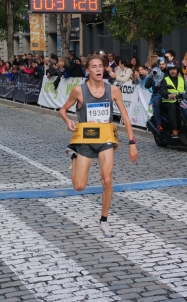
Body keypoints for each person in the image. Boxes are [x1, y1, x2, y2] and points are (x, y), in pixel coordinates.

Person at [59, 55, 138, 238]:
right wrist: (67, 121)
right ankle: (73, 155)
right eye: (93, 67)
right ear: (87, 70)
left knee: (107, 180)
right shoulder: (79, 91)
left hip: (106, 139)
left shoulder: (114, 90)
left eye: (100, 66)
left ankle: (104, 220)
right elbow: (62, 110)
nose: (98, 69)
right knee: (79, 186)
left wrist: (132, 143)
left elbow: (126, 118)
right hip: (85, 140)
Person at [158, 62, 186, 138]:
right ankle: (174, 129)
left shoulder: (181, 79)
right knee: (172, 107)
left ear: (177, 70)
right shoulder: (165, 80)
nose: (172, 71)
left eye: (174, 69)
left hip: (179, 101)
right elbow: (162, 90)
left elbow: (185, 90)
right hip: (168, 102)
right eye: (171, 70)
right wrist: (167, 95)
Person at [144, 59, 166, 130]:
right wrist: (151, 76)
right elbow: (146, 85)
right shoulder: (155, 74)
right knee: (156, 102)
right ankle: (158, 124)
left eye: (163, 64)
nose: (161, 66)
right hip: (157, 95)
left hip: (168, 94)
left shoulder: (168, 73)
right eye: (160, 64)